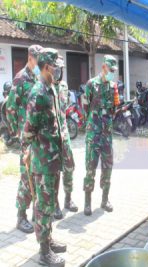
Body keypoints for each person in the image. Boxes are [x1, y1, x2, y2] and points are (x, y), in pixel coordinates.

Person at [22, 48, 66, 266]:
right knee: (44, 206)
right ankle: (44, 253)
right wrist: (27, 151)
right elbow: (28, 129)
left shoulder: (51, 89)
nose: (59, 70)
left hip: (53, 158)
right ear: (47, 67)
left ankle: (48, 238)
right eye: (56, 66)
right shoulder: (38, 93)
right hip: (43, 161)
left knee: (50, 204)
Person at [6, 44, 43, 233]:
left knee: (37, 175)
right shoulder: (21, 78)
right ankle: (21, 217)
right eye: (37, 58)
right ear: (30, 57)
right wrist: (16, 132)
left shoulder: (38, 76)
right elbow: (10, 107)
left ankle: (36, 213)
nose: (40, 62)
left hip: (38, 137)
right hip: (26, 137)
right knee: (26, 176)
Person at [83, 55, 120, 216]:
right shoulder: (91, 84)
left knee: (107, 168)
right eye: (111, 69)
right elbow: (85, 107)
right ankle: (87, 202)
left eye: (114, 70)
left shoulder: (113, 87)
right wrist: (94, 122)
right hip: (93, 134)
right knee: (90, 168)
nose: (112, 72)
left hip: (107, 136)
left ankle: (105, 200)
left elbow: (115, 109)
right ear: (104, 66)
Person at [53, 61, 78, 220]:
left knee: (69, 166)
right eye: (56, 68)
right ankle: (54, 204)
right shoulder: (44, 87)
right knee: (54, 171)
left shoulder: (63, 86)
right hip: (51, 137)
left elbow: (65, 108)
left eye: (60, 68)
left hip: (64, 133)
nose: (58, 71)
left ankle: (68, 199)